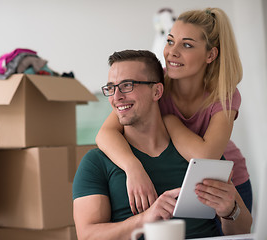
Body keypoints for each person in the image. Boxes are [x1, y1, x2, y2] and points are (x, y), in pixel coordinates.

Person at [72, 50, 252, 240]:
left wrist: (230, 211)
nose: (116, 97)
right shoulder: (96, 163)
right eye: (111, 88)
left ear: (157, 91)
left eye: (127, 85)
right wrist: (144, 220)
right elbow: (87, 236)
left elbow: (243, 230)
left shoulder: (196, 155)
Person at [95, 7, 252, 217]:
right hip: (175, 178)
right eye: (170, 41)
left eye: (186, 44)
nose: (172, 52)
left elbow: (206, 158)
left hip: (222, 182)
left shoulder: (224, 94)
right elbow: (105, 134)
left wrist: (170, 122)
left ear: (211, 54)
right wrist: (134, 168)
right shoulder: (155, 84)